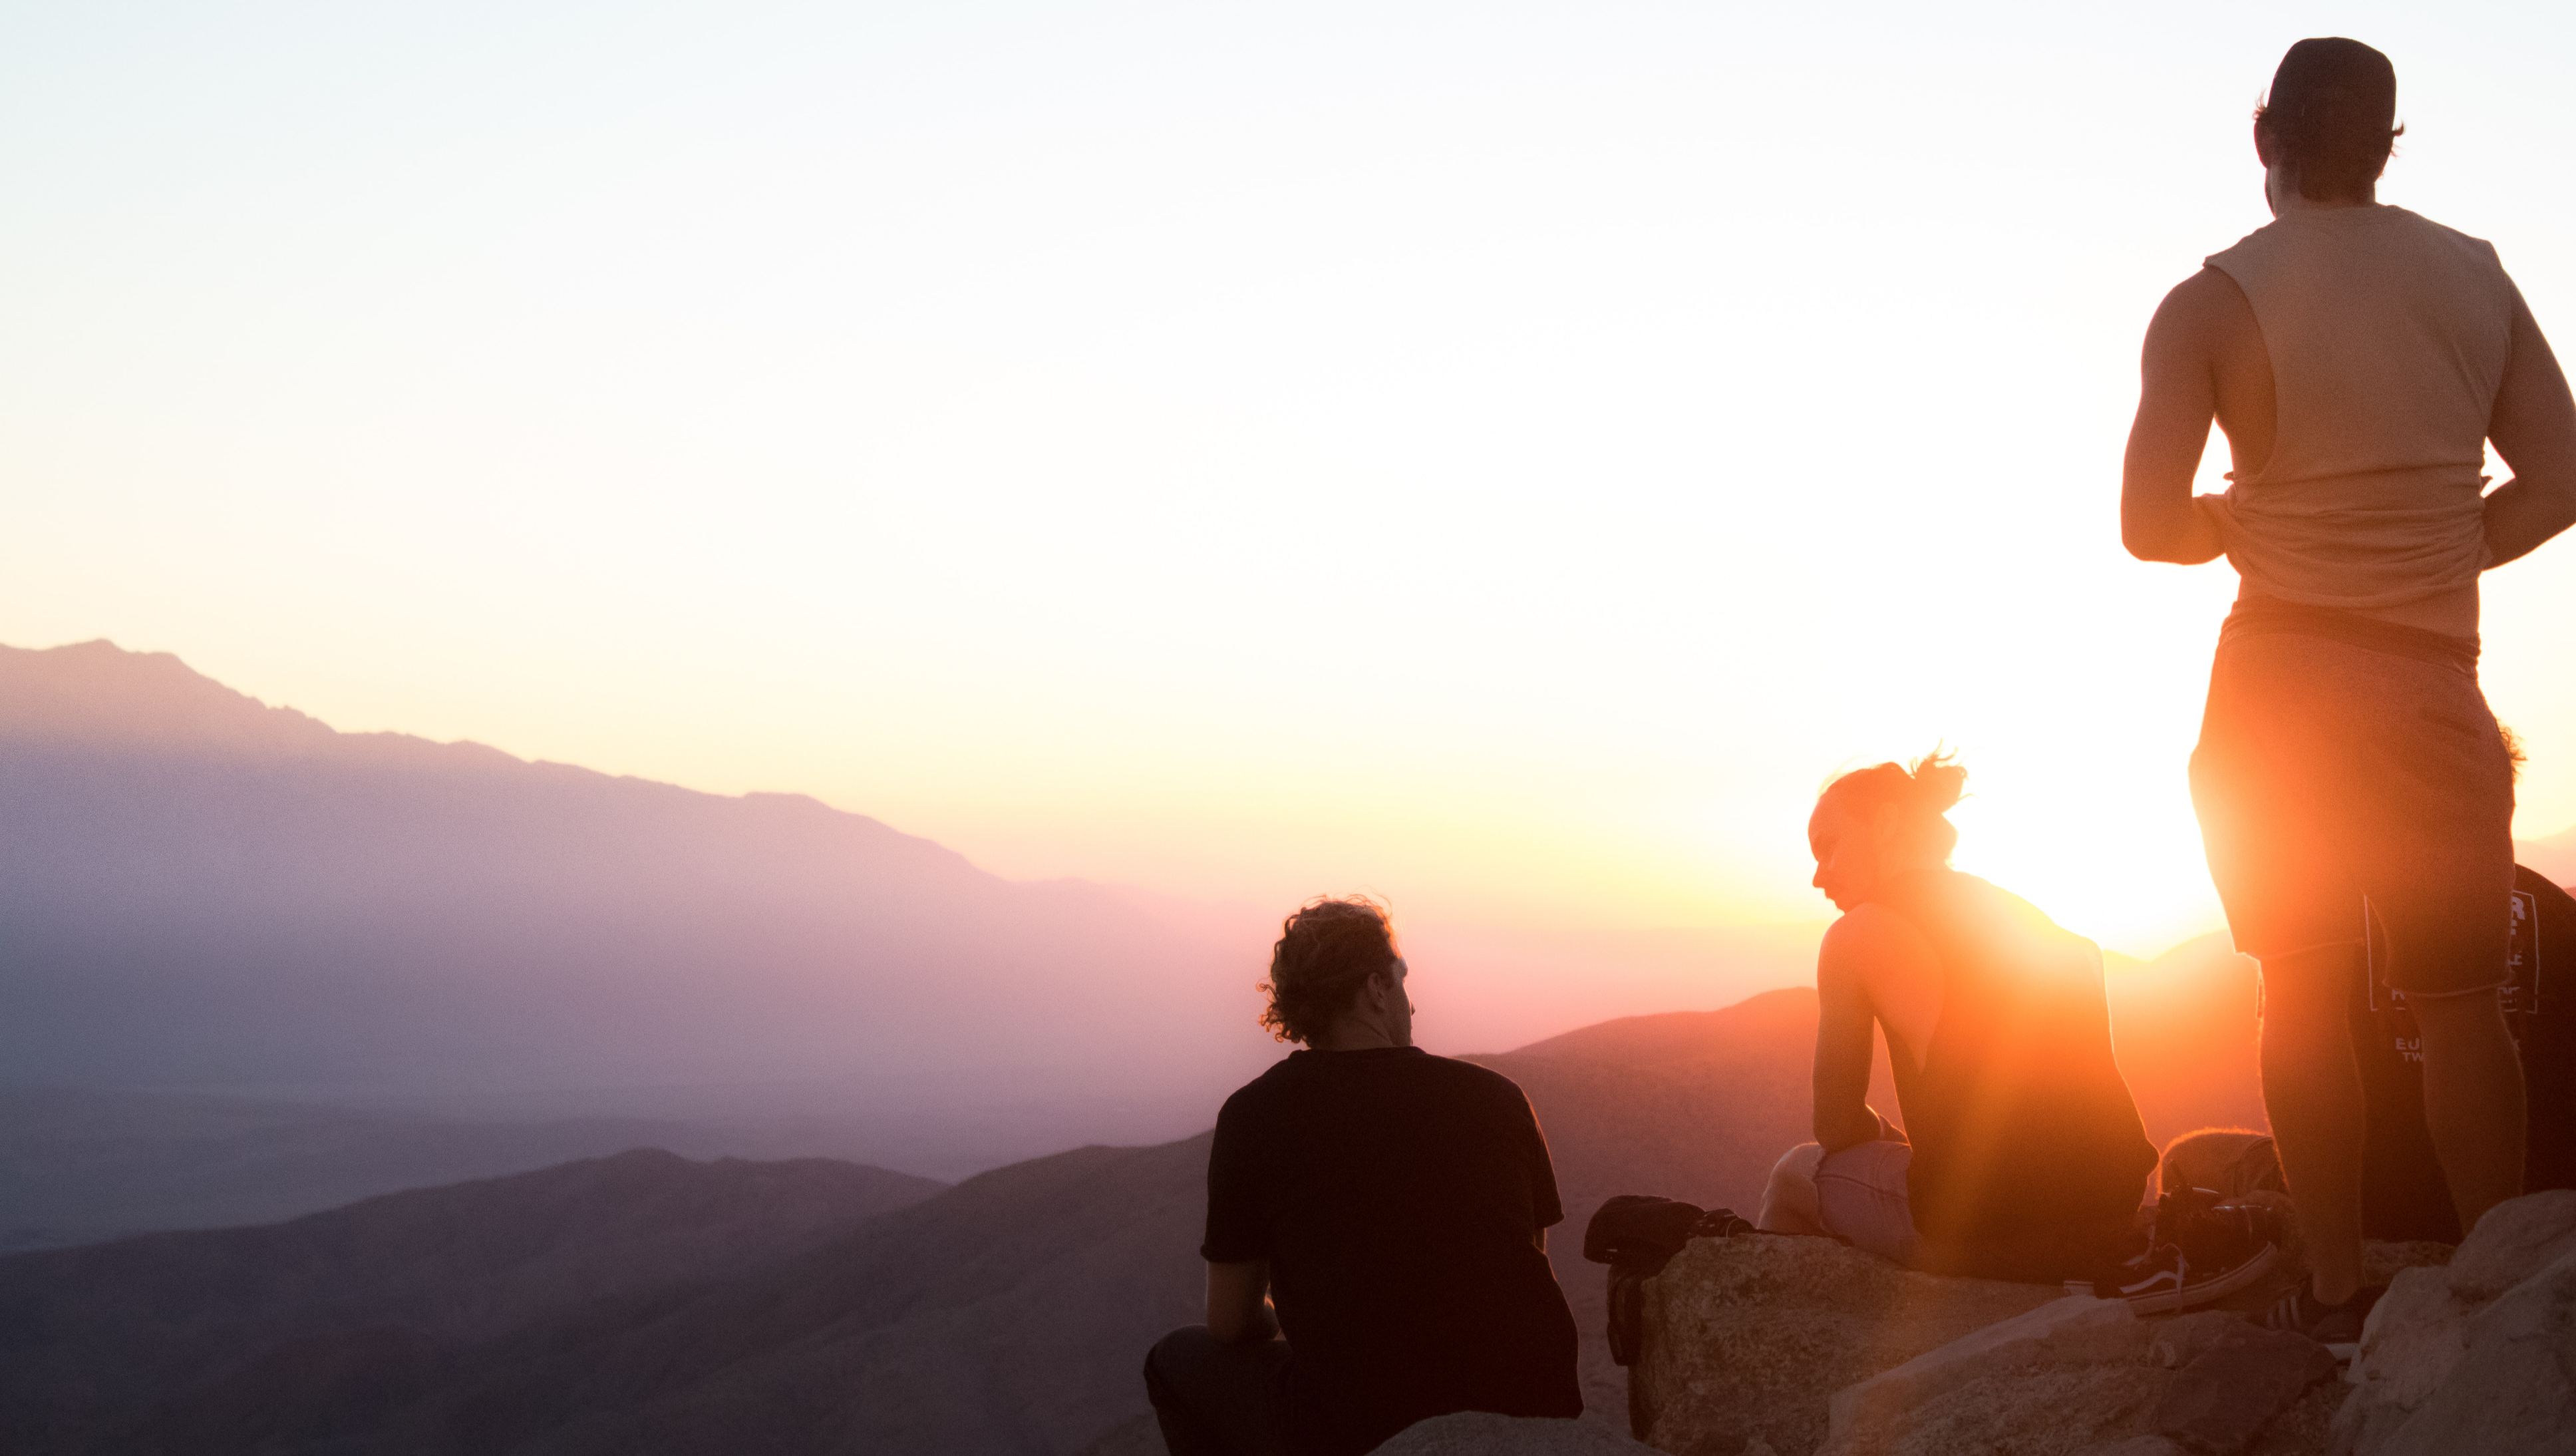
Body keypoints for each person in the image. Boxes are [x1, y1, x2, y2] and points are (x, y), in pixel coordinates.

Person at [2120, 37, 2576, 1342]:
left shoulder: (2209, 302)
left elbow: (2149, 526)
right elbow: (2555, 480)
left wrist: (2250, 521)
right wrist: (2440, 543)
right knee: (2459, 1002)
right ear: (2388, 143)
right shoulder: (2474, 277)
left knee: (2303, 992)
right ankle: (2496, 1291)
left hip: (2276, 684)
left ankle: (2332, 1286)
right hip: (2429, 680)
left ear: (2263, 134)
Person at [1142, 897, 1582, 1456]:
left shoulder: (1256, 1116)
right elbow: (1522, 1260)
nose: (1413, 1005)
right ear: (1376, 988)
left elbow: (1229, 1323)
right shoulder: (1497, 1098)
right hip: (1533, 1404)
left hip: (1363, 1425)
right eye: (1402, 981)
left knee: (1172, 1363)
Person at [1756, 755, 2174, 1289]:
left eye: (1828, 847)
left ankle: (1779, 1338)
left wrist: (1887, 1137)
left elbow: (1835, 1128)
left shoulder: (1855, 936)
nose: (1818, 876)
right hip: (2115, 1219)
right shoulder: (2043, 926)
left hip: (1991, 1237)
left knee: (1795, 1173)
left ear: (1885, 823)